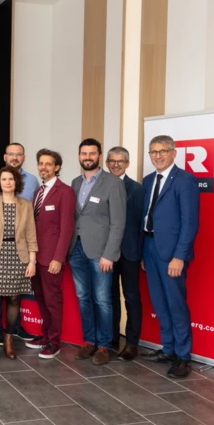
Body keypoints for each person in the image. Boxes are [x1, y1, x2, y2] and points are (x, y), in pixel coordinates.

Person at [141, 135, 199, 378]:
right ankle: (168, 349)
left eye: (163, 151)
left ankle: (184, 357)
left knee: (175, 304)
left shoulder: (185, 180)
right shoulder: (147, 180)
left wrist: (180, 256)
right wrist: (143, 251)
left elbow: (190, 222)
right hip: (150, 248)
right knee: (159, 301)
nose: (158, 156)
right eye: (153, 152)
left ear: (174, 153)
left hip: (172, 252)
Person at [68, 138, 126, 365]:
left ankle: (104, 345)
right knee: (83, 298)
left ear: (99, 156)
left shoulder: (113, 183)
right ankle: (89, 341)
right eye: (84, 153)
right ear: (79, 156)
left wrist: (110, 254)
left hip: (101, 252)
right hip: (77, 250)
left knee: (102, 300)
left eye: (92, 153)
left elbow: (118, 222)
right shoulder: (74, 182)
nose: (88, 157)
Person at [0, 166, 38, 364]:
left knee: (14, 300)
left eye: (11, 179)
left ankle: (9, 341)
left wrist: (32, 261)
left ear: (16, 182)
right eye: (4, 179)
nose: (8, 182)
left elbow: (31, 235)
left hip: (18, 257)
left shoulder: (25, 205)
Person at [26, 149, 75, 359]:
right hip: (35, 257)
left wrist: (58, 258)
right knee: (41, 297)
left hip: (51, 258)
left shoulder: (64, 191)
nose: (43, 167)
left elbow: (66, 228)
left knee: (52, 300)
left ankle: (54, 341)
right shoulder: (38, 191)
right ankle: (45, 335)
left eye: (48, 164)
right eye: (41, 163)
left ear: (57, 167)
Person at [106, 146, 145, 361]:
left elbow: (141, 224)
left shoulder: (137, 190)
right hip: (107, 254)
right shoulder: (101, 186)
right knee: (109, 297)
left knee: (131, 298)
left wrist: (142, 255)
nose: (116, 164)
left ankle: (131, 344)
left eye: (120, 161)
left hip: (129, 253)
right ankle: (111, 338)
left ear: (127, 164)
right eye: (112, 160)